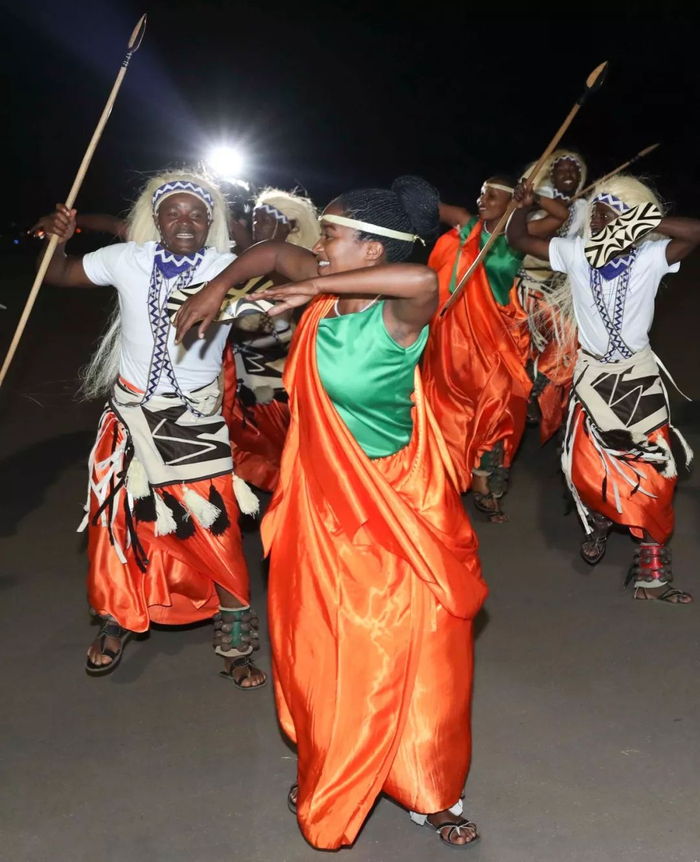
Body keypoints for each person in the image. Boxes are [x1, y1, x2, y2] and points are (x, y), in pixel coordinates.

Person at [174, 176, 488, 849]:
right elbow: (266, 255)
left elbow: (422, 278)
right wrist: (215, 288)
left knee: (420, 652)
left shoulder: (401, 314)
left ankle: (430, 788)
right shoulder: (325, 281)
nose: (317, 245)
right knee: (325, 648)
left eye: (334, 234)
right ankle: (328, 763)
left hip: (394, 504)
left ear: (373, 250)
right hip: (321, 500)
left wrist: (312, 286)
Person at [38, 170, 268, 683]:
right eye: (174, 212)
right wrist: (58, 240)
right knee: (121, 526)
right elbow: (60, 274)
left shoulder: (229, 269)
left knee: (217, 527)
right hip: (129, 419)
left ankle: (235, 641)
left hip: (196, 424)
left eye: (196, 214)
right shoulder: (128, 259)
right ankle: (117, 618)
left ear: (210, 223)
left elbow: (280, 269)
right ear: (156, 220)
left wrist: (238, 296)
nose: (185, 221)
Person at [507, 174, 697, 603]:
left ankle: (652, 573)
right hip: (592, 378)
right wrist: (522, 204)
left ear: (629, 220)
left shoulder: (650, 257)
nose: (594, 219)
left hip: (638, 380)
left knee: (656, 477)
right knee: (585, 470)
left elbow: (694, 233)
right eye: (593, 213)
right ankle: (600, 516)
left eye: (605, 213)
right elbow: (518, 239)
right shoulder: (575, 253)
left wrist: (646, 222)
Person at [423, 176, 567, 522]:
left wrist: (531, 199)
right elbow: (431, 207)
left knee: (502, 403)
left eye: (491, 196)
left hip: (499, 336)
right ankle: (448, 476)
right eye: (481, 193)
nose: (482, 200)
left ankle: (484, 478)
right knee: (453, 409)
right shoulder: (467, 225)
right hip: (454, 337)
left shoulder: (519, 235)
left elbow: (560, 215)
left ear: (509, 202)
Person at [222, 188, 320, 491]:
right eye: (255, 221)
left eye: (265, 221)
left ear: (289, 226)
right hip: (242, 376)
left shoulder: (296, 269)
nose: (257, 227)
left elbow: (279, 327)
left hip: (275, 381)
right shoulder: (242, 262)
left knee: (279, 454)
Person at [517, 150, 588, 440]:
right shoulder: (534, 199)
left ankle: (544, 399)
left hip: (560, 289)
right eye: (563, 169)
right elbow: (523, 237)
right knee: (564, 339)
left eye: (574, 170)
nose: (569, 174)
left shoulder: (584, 207)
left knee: (575, 347)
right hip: (528, 287)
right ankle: (529, 392)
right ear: (552, 174)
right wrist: (550, 208)